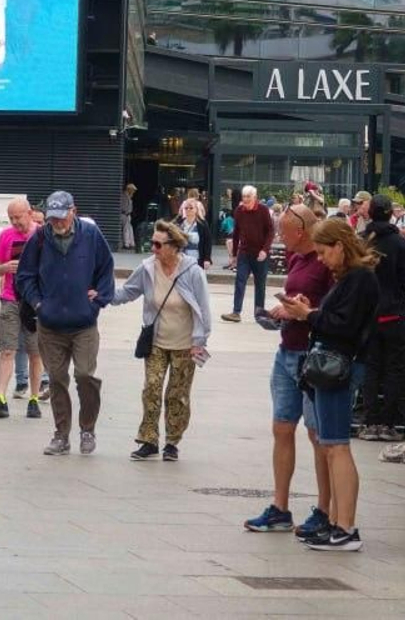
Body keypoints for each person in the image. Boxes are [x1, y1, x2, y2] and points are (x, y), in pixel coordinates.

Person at [271, 218, 380, 552]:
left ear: (339, 247)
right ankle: (337, 523)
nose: (320, 259)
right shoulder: (352, 278)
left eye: (323, 252)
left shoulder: (359, 278)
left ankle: (345, 527)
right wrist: (310, 311)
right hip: (336, 364)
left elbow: (343, 326)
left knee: (336, 445)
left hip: (339, 367)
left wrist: (308, 315)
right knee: (331, 445)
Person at [244, 202, 336, 538]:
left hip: (312, 356)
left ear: (301, 231)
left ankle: (324, 509)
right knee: (282, 427)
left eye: (283, 231)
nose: (280, 238)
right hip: (287, 350)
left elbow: (333, 308)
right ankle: (280, 507)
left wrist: (303, 311)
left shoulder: (325, 263)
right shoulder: (296, 259)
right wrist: (283, 309)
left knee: (317, 434)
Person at [17, 191, 114, 457]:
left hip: (84, 324)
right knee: (57, 380)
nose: (57, 223)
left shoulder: (91, 235)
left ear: (73, 211)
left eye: (61, 217)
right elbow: (25, 276)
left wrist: (99, 299)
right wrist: (38, 304)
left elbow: (106, 268)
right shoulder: (39, 238)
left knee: (85, 376)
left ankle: (87, 429)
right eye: (52, 218)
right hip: (50, 325)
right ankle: (61, 435)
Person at [110, 221, 211, 460]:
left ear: (174, 246)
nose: (153, 248)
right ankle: (149, 440)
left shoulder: (192, 272)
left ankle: (172, 442)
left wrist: (200, 340)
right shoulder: (147, 268)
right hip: (156, 341)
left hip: (186, 345)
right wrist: (102, 295)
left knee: (177, 395)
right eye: (152, 243)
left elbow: (204, 310)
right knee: (151, 389)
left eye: (158, 244)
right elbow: (127, 292)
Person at [359, 194, 405, 442]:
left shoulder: (363, 241)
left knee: (371, 367)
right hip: (394, 314)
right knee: (394, 368)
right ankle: (389, 422)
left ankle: (369, 420)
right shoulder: (399, 243)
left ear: (370, 212)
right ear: (391, 214)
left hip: (369, 315)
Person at [0, 197, 44, 420]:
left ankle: (34, 399)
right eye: (11, 218)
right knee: (7, 350)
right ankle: (0, 398)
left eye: (18, 217)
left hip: (35, 301)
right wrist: (5, 267)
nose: (15, 222)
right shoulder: (6, 236)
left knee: (36, 352)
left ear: (29, 213)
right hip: (10, 298)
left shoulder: (42, 236)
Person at [222, 185, 274, 323]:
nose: (245, 199)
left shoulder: (263, 210)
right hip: (244, 252)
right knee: (240, 280)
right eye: (244, 196)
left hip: (260, 253)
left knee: (260, 284)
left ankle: (259, 313)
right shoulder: (239, 211)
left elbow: (270, 231)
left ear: (255, 197)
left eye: (248, 197)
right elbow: (236, 233)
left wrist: (265, 250)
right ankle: (236, 312)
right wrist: (234, 254)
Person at [119, 183, 136, 250]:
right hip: (124, 215)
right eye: (133, 190)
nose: (133, 192)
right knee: (126, 230)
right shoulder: (124, 196)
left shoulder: (129, 196)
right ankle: (127, 244)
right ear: (129, 189)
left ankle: (131, 243)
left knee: (129, 229)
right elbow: (124, 206)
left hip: (128, 215)